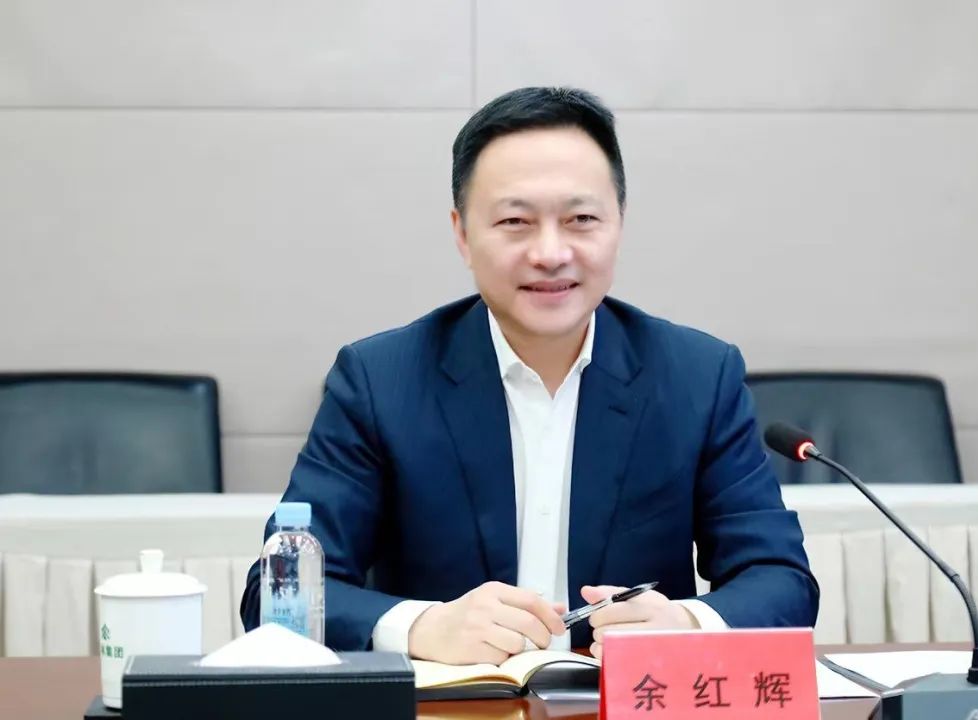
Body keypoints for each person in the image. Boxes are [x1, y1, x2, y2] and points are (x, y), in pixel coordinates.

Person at [240, 86, 818, 664]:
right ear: (463, 235)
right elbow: (273, 595)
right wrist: (420, 627)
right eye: (515, 221)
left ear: (619, 224)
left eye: (581, 219)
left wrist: (687, 623)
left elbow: (780, 579)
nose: (550, 252)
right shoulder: (379, 381)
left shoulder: (697, 377)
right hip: (454, 703)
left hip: (623, 699)